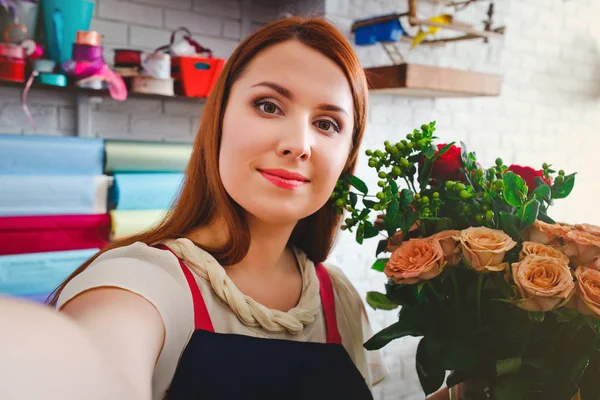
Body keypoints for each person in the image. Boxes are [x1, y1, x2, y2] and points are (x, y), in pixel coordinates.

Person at [0, 16, 389, 400]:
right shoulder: (139, 282)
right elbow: (97, 363)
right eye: (269, 106)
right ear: (218, 119)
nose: (298, 144)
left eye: (327, 124)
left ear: (347, 157)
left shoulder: (340, 298)